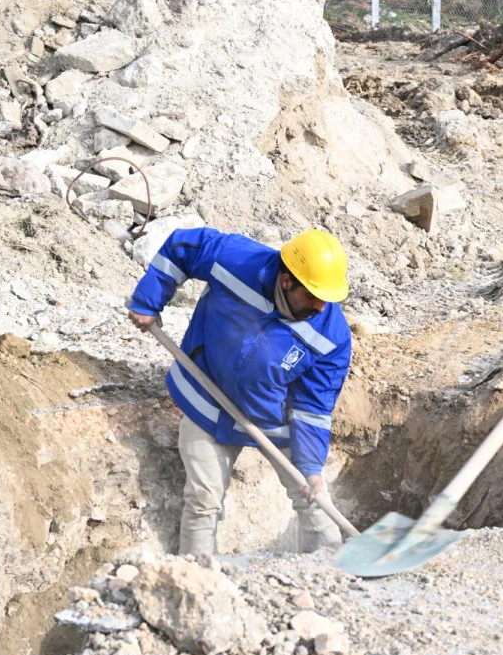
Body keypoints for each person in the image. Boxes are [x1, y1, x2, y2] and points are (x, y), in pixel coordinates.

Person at [127, 227, 352, 555]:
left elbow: (312, 407)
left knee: (315, 500)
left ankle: (331, 572)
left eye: (327, 298)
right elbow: (182, 246)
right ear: (287, 280)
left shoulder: (332, 335)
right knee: (203, 501)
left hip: (272, 419)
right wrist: (149, 299)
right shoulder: (237, 260)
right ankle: (196, 577)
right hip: (206, 400)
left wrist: (312, 468)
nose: (321, 307)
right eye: (313, 296)